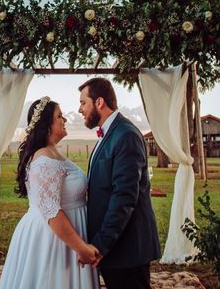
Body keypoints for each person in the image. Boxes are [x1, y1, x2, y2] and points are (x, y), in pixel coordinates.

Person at [0, 97, 100, 289]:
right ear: (47, 125)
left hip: (66, 235)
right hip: (53, 239)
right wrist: (81, 248)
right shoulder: (44, 158)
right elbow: (51, 211)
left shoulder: (52, 153)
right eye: (60, 116)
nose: (65, 120)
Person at [79, 77, 161, 289]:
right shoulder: (110, 133)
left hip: (128, 249)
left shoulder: (126, 134)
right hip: (117, 249)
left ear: (99, 102)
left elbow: (124, 197)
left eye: (83, 102)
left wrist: (100, 244)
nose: (80, 109)